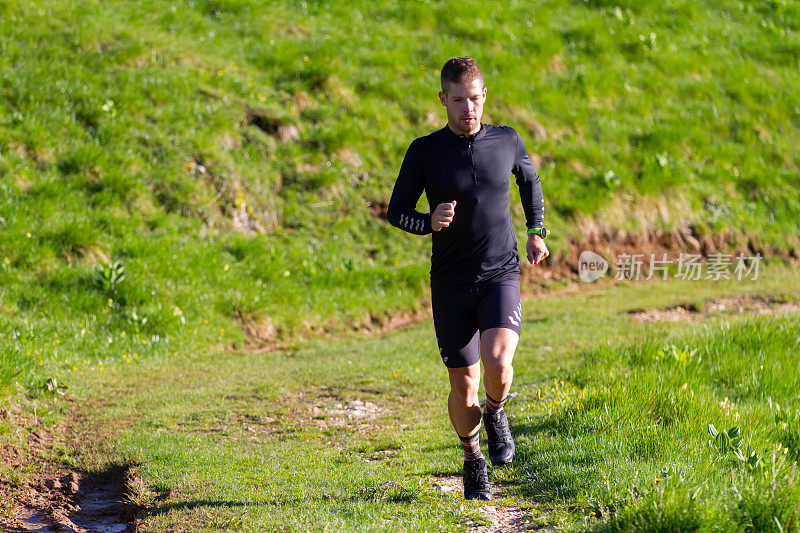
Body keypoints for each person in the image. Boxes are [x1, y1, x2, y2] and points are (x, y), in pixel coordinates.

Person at [387, 57, 549, 500]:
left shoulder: (507, 140)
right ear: (444, 100)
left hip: (500, 273)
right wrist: (428, 222)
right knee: (463, 384)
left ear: (484, 96)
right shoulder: (425, 150)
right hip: (452, 283)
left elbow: (530, 181)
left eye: (475, 98)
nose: (468, 107)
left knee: (498, 365)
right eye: (458, 99)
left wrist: (536, 233)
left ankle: (497, 413)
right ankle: (472, 457)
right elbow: (396, 209)